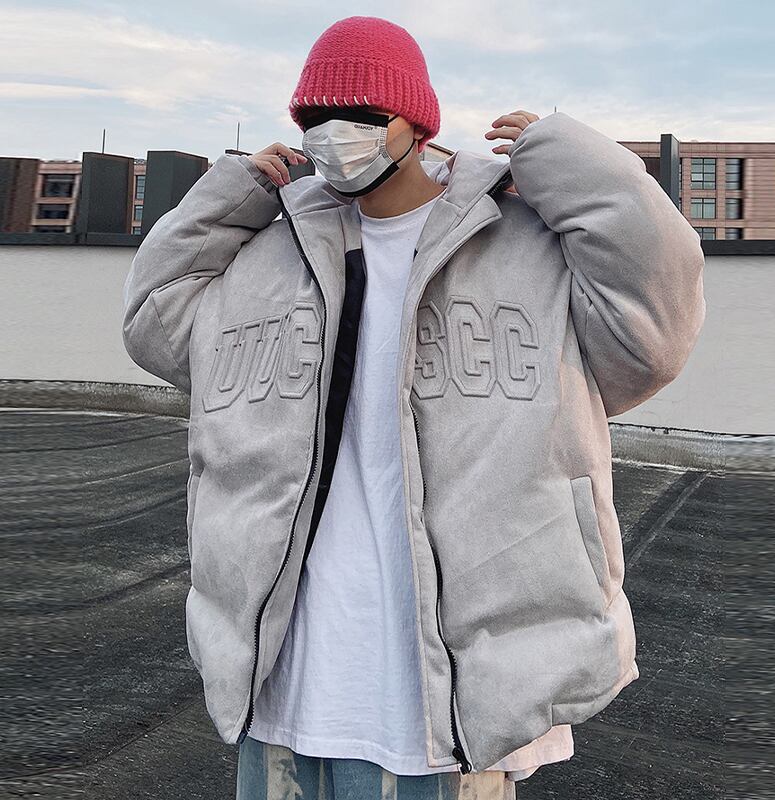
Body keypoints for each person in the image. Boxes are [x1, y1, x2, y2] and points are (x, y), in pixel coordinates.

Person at [121, 15, 706, 800]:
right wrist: (233, 197)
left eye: (360, 114)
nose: (335, 134)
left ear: (415, 122)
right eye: (315, 116)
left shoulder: (524, 241)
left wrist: (578, 165)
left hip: (462, 692)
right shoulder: (273, 251)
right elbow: (155, 324)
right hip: (285, 673)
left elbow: (656, 322)